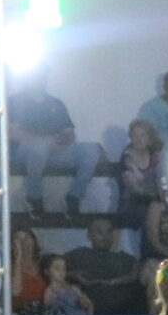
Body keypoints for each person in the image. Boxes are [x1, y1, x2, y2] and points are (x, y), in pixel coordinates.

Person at [8, 70, 100, 216]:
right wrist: (43, 140)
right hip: (25, 151)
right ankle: (34, 197)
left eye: (42, 76)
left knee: (91, 150)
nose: (39, 79)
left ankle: (74, 196)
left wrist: (63, 139)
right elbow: (11, 133)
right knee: (39, 148)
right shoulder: (15, 101)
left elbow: (70, 133)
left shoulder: (56, 104)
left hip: (55, 151)